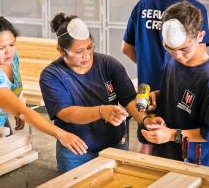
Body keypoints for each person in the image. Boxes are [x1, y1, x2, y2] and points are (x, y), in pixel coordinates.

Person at [0, 16, 88, 156]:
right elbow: (23, 112)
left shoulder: (10, 59)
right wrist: (60, 134)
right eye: (1, 48)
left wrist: (16, 104)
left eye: (12, 44)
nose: (9, 51)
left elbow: (13, 92)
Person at [39, 13, 142, 172]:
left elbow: (129, 99)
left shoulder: (108, 64)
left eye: (89, 47)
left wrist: (145, 120)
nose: (86, 55)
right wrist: (101, 111)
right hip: (76, 151)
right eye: (79, 51)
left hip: (115, 144)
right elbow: (65, 113)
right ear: (61, 51)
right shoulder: (52, 75)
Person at [121, 0, 209, 154]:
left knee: (148, 146)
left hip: (147, 95)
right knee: (181, 150)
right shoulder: (195, 10)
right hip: (182, 97)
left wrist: (149, 63)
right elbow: (199, 56)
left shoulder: (143, 5)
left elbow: (126, 48)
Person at [140, 1, 209, 167]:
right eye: (170, 49)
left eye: (185, 49)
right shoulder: (172, 59)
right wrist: (158, 96)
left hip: (192, 159)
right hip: (164, 151)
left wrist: (171, 135)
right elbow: (176, 91)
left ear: (200, 36)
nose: (178, 56)